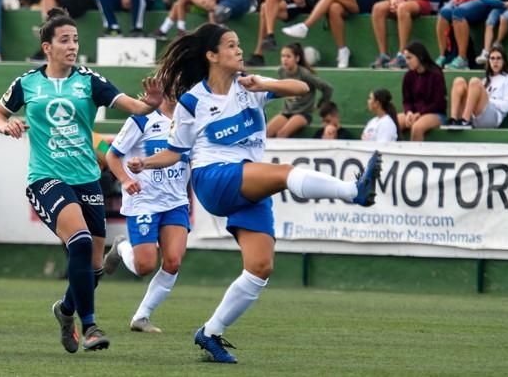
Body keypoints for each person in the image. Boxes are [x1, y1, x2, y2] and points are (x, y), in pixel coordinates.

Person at [126, 23, 382, 363]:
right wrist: (146, 163)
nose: (239, 50)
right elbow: (176, 150)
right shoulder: (192, 101)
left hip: (247, 181)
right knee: (283, 174)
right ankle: (353, 190)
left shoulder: (250, 85)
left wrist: (264, 83)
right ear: (212, 55)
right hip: (213, 178)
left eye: (238, 44)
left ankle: (211, 333)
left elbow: (302, 88)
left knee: (260, 267)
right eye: (231, 46)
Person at [0, 7, 164, 353]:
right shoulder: (27, 83)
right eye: (64, 40)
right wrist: (5, 125)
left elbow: (132, 105)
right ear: (47, 47)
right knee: (80, 242)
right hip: (46, 178)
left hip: (87, 179)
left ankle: (65, 310)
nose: (72, 46)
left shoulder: (89, 80)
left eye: (75, 40)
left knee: (94, 266)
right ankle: (91, 327)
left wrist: (150, 105)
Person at [102, 96, 190, 334]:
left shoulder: (189, 119)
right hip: (144, 202)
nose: (178, 88)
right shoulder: (142, 119)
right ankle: (121, 247)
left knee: (173, 261)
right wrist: (126, 179)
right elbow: (111, 154)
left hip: (176, 202)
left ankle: (141, 316)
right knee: (144, 266)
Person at [267, 42, 334, 138]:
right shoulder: (281, 71)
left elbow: (327, 88)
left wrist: (320, 105)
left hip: (303, 114)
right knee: (266, 133)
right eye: (282, 56)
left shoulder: (304, 74)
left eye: (288, 56)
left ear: (297, 58)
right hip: (286, 112)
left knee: (282, 134)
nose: (284, 59)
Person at [446, 45, 508, 129]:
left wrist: (488, 100)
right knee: (459, 81)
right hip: (474, 115)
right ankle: (453, 119)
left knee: (474, 82)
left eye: (498, 58)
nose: (495, 61)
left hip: (492, 117)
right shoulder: (485, 80)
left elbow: (507, 106)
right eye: (492, 58)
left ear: (504, 61)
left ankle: (465, 121)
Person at [397, 41, 447, 141]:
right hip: (415, 112)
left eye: (409, 58)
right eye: (406, 58)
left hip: (436, 114)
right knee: (392, 122)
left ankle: (414, 156)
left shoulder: (435, 74)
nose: (407, 62)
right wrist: (409, 112)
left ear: (419, 56)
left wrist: (420, 113)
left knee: (417, 128)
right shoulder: (409, 76)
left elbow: (439, 103)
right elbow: (407, 100)